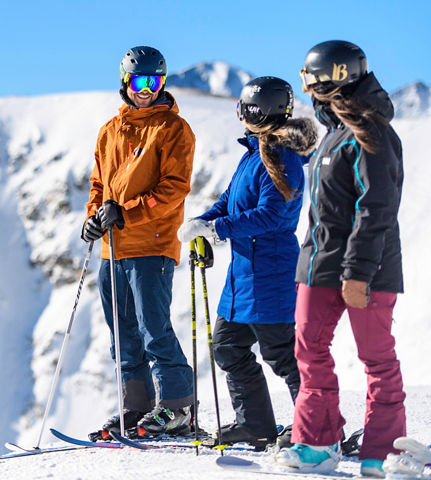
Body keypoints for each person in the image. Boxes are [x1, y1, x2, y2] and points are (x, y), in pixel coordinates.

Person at [275, 40, 406, 478]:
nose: (310, 90)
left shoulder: (372, 132)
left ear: (337, 77)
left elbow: (377, 207)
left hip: (367, 270)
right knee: (309, 352)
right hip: (320, 266)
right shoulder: (333, 135)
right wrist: (307, 267)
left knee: (376, 358)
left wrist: (358, 272)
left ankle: (382, 452)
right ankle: (317, 443)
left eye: (313, 80)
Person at [177, 76, 316, 450]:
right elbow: (229, 200)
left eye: (246, 110)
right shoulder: (254, 153)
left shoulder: (284, 159)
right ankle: (255, 425)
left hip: (269, 275)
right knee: (227, 346)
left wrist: (217, 228)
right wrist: (201, 223)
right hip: (243, 278)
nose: (242, 116)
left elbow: (272, 216)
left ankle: (316, 427)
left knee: (283, 355)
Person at [81, 46, 197, 441]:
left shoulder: (173, 129)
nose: (146, 89)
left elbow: (174, 190)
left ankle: (178, 406)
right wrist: (93, 218)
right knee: (122, 333)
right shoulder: (109, 131)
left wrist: (125, 212)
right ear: (125, 82)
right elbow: (100, 186)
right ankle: (136, 408)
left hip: (152, 244)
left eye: (154, 81)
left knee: (153, 328)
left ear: (162, 83)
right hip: (112, 248)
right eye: (138, 81)